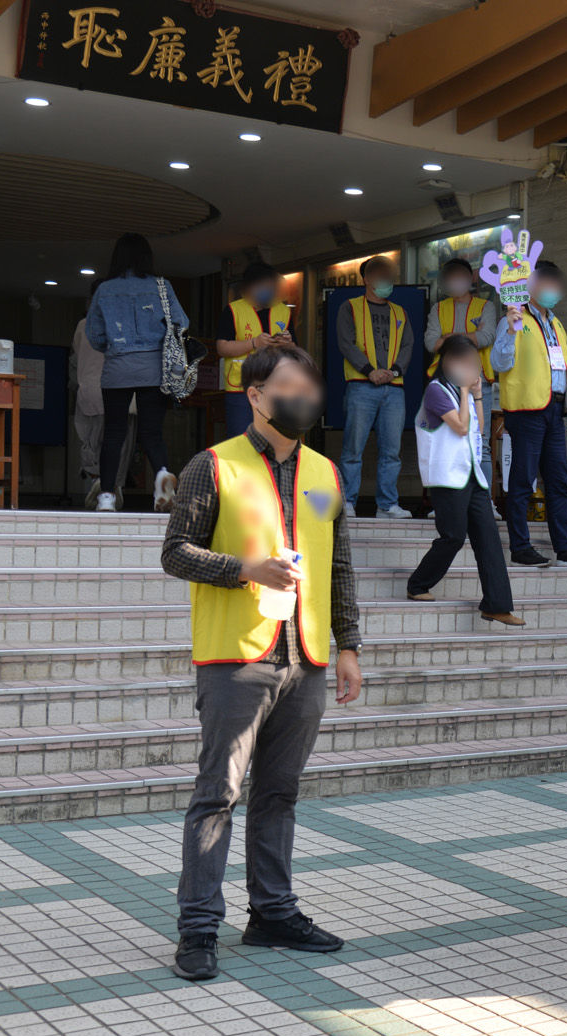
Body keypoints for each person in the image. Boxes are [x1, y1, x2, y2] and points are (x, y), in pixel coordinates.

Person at [160, 343, 363, 982]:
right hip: (236, 658)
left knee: (279, 794)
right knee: (217, 794)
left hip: (305, 657)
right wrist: (243, 569)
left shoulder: (326, 475)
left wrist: (349, 644)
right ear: (255, 395)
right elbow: (175, 552)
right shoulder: (211, 466)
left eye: (309, 386)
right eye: (288, 386)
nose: (301, 397)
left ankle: (272, 913)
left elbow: (338, 562)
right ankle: (198, 928)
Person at [490, 259, 567, 567]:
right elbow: (499, 363)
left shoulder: (557, 323)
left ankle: (565, 547)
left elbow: (562, 368)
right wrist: (510, 330)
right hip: (526, 409)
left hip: (555, 408)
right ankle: (520, 546)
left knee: (559, 480)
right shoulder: (513, 319)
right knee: (523, 479)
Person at [408, 335, 521, 626]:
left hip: (472, 476)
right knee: (454, 536)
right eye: (466, 363)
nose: (472, 369)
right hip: (447, 477)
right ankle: (418, 584)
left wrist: (478, 395)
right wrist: (463, 391)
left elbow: (479, 429)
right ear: (448, 362)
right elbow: (460, 427)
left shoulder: (466, 393)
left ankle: (497, 604)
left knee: (489, 538)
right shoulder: (436, 391)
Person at [86, 232, 183, 513]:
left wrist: (114, 347)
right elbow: (181, 322)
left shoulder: (105, 289)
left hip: (117, 369)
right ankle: (163, 475)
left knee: (114, 434)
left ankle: (106, 497)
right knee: (152, 433)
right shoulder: (162, 287)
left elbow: (94, 334)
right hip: (154, 370)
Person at [337, 255, 414, 520]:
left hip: (394, 387)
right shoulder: (350, 307)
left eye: (389, 276)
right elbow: (346, 343)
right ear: (367, 279)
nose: (386, 281)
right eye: (380, 276)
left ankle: (387, 505)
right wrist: (370, 371)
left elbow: (407, 346)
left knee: (392, 450)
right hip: (361, 385)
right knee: (352, 448)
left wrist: (393, 372)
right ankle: (347, 501)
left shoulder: (400, 312)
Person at [425, 257, 501, 501]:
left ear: (471, 279)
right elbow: (430, 343)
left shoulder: (485, 306)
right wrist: (470, 337)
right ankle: (446, 504)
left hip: (479, 382)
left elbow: (487, 336)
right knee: (445, 443)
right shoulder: (438, 308)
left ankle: (484, 504)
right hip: (446, 384)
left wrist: (449, 338)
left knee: (481, 444)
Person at [70, 292, 135, 508]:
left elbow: (77, 356)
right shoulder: (128, 325)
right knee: (120, 444)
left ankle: (98, 483)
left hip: (91, 393)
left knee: (92, 442)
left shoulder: (84, 325)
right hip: (123, 394)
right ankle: (113, 488)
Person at [217, 262, 293, 438]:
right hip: (240, 388)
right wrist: (253, 344)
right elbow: (222, 347)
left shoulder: (283, 310)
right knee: (241, 439)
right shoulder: (234, 310)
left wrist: (287, 343)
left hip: (275, 387)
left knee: (273, 440)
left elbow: (295, 348)